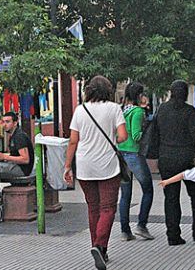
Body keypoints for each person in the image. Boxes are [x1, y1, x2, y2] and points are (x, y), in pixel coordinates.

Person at [63, 76, 127, 270]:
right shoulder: (114, 108)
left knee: (93, 208)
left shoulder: (80, 110)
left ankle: (98, 248)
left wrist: (67, 166)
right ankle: (100, 246)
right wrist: (111, 140)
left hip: (84, 167)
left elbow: (73, 141)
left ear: (89, 90)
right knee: (108, 208)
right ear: (107, 90)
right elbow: (123, 136)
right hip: (107, 166)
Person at [144, 80, 195, 245]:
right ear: (185, 93)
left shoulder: (162, 110)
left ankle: (173, 235)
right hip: (188, 158)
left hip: (167, 158)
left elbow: (155, 135)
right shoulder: (189, 111)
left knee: (171, 198)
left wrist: (154, 157)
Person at [116, 82, 154, 241]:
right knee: (148, 189)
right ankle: (141, 225)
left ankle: (125, 230)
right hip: (133, 154)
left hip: (120, 153)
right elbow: (137, 135)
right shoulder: (138, 112)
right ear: (139, 96)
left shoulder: (121, 110)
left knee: (125, 194)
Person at [0, 111, 33, 207]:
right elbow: (15, 156)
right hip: (15, 165)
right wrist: (5, 159)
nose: (4, 125)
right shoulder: (13, 136)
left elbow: (25, 159)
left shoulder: (19, 136)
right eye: (3, 122)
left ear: (15, 123)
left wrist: (4, 157)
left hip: (22, 169)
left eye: (8, 122)